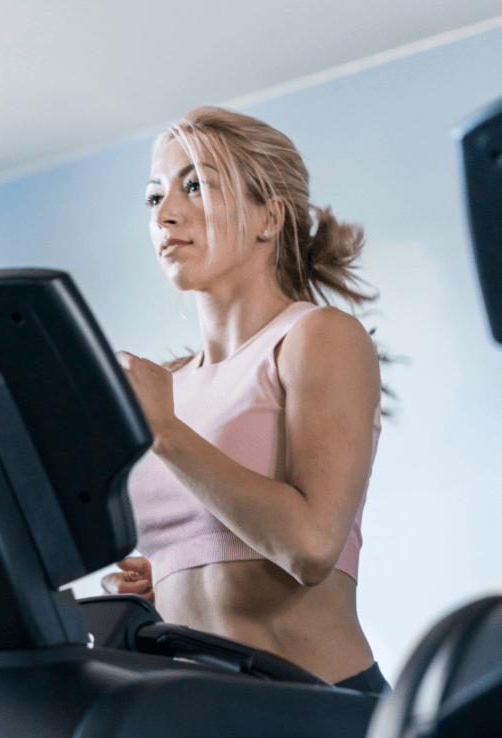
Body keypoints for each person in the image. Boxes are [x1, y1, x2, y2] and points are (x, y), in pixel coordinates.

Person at [103, 105, 388, 696]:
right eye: (154, 197)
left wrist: (168, 434)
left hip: (321, 706)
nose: (166, 212)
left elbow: (310, 547)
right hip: (207, 722)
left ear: (268, 217)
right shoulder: (169, 383)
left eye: (196, 186)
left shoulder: (317, 336)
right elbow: (224, 539)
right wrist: (171, 574)